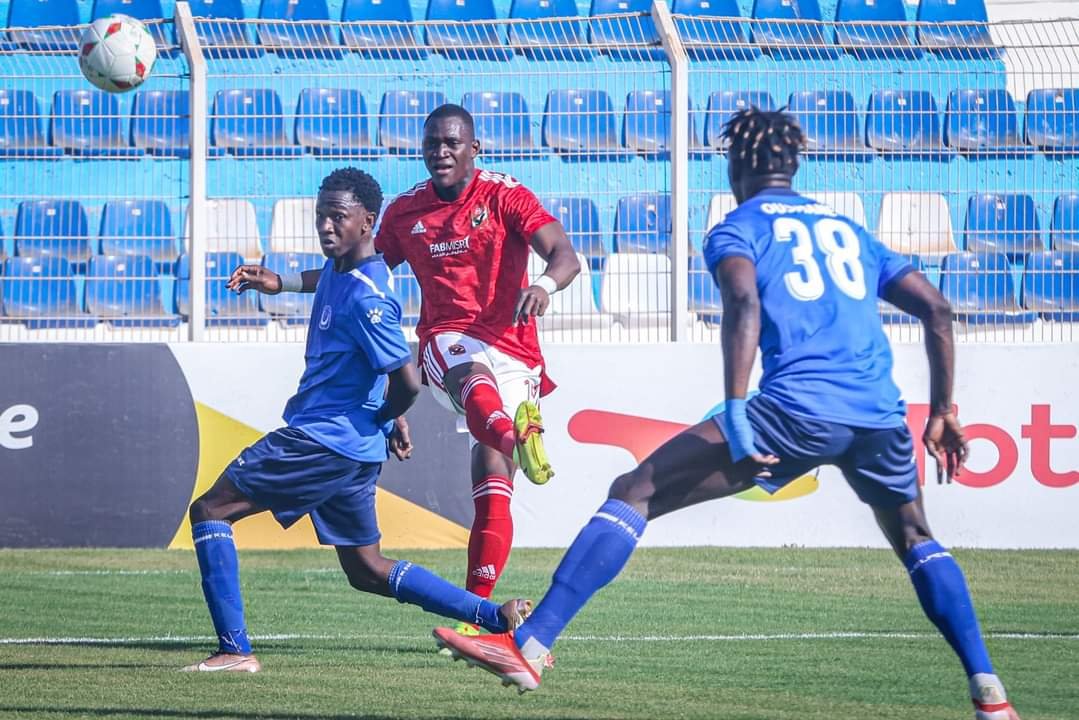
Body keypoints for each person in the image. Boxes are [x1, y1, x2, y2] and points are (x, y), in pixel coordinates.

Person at [432, 109, 1022, 720]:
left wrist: (738, 410)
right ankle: (990, 692)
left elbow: (742, 301)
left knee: (636, 490)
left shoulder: (737, 227)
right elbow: (938, 311)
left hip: (794, 408)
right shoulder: (848, 228)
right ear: (793, 164)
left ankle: (529, 644)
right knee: (916, 537)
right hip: (877, 411)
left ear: (738, 165)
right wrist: (945, 410)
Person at [182, 168, 532, 673]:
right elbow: (324, 284)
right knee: (367, 569)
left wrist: (387, 418)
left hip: (321, 441)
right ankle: (491, 616)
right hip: (350, 452)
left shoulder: (370, 297)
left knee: (210, 512)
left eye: (337, 218)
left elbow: (407, 381)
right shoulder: (341, 270)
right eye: (320, 215)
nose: (325, 226)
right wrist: (279, 283)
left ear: (368, 222)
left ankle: (235, 651)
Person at [375, 104, 581, 636]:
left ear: (474, 148)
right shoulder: (405, 213)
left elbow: (564, 254)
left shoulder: (504, 194)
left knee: (492, 485)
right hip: (447, 341)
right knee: (471, 381)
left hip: (514, 346)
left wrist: (543, 285)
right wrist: (285, 285)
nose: (439, 152)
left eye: (450, 143)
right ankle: (518, 431)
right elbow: (359, 272)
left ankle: (475, 615)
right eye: (431, 145)